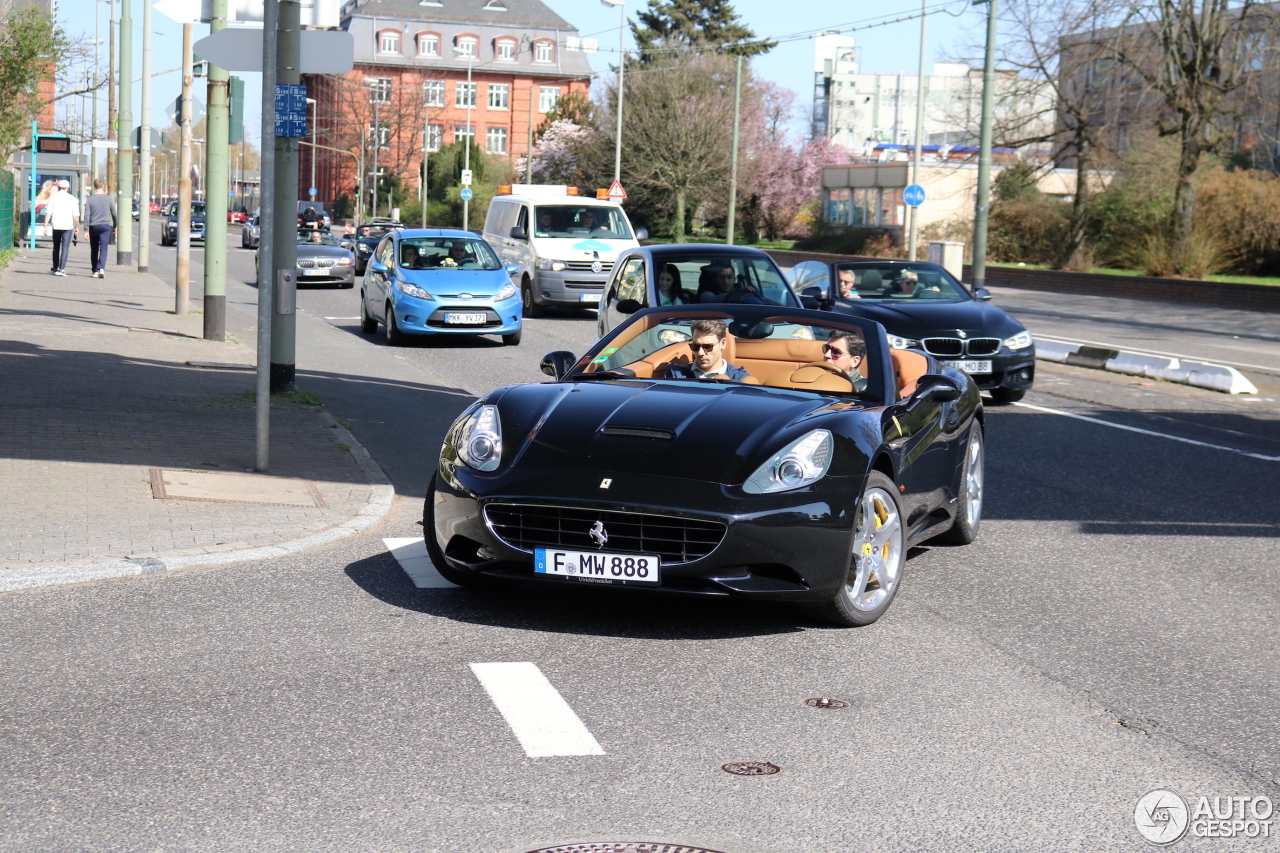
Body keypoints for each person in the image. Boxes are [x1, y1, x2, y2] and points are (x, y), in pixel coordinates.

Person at [664, 318, 750, 382]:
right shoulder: (676, 375)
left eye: (708, 346)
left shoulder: (739, 378)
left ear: (723, 343)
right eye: (695, 346)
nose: (700, 353)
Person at [44, 180, 80, 276]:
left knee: (56, 247)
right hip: (67, 226)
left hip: (56, 225)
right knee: (65, 247)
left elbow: (48, 212)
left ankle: (55, 267)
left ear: (59, 187)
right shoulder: (72, 199)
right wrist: (77, 226)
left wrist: (45, 225)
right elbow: (76, 215)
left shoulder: (53, 198)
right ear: (68, 188)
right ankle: (61, 268)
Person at [83, 178, 117, 279]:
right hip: (105, 226)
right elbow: (114, 214)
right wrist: (115, 226)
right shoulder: (109, 199)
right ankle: (101, 268)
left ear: (94, 187)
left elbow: (87, 216)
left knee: (94, 249)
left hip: (93, 226)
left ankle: (95, 270)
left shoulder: (90, 199)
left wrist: (86, 230)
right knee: (104, 248)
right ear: (103, 186)